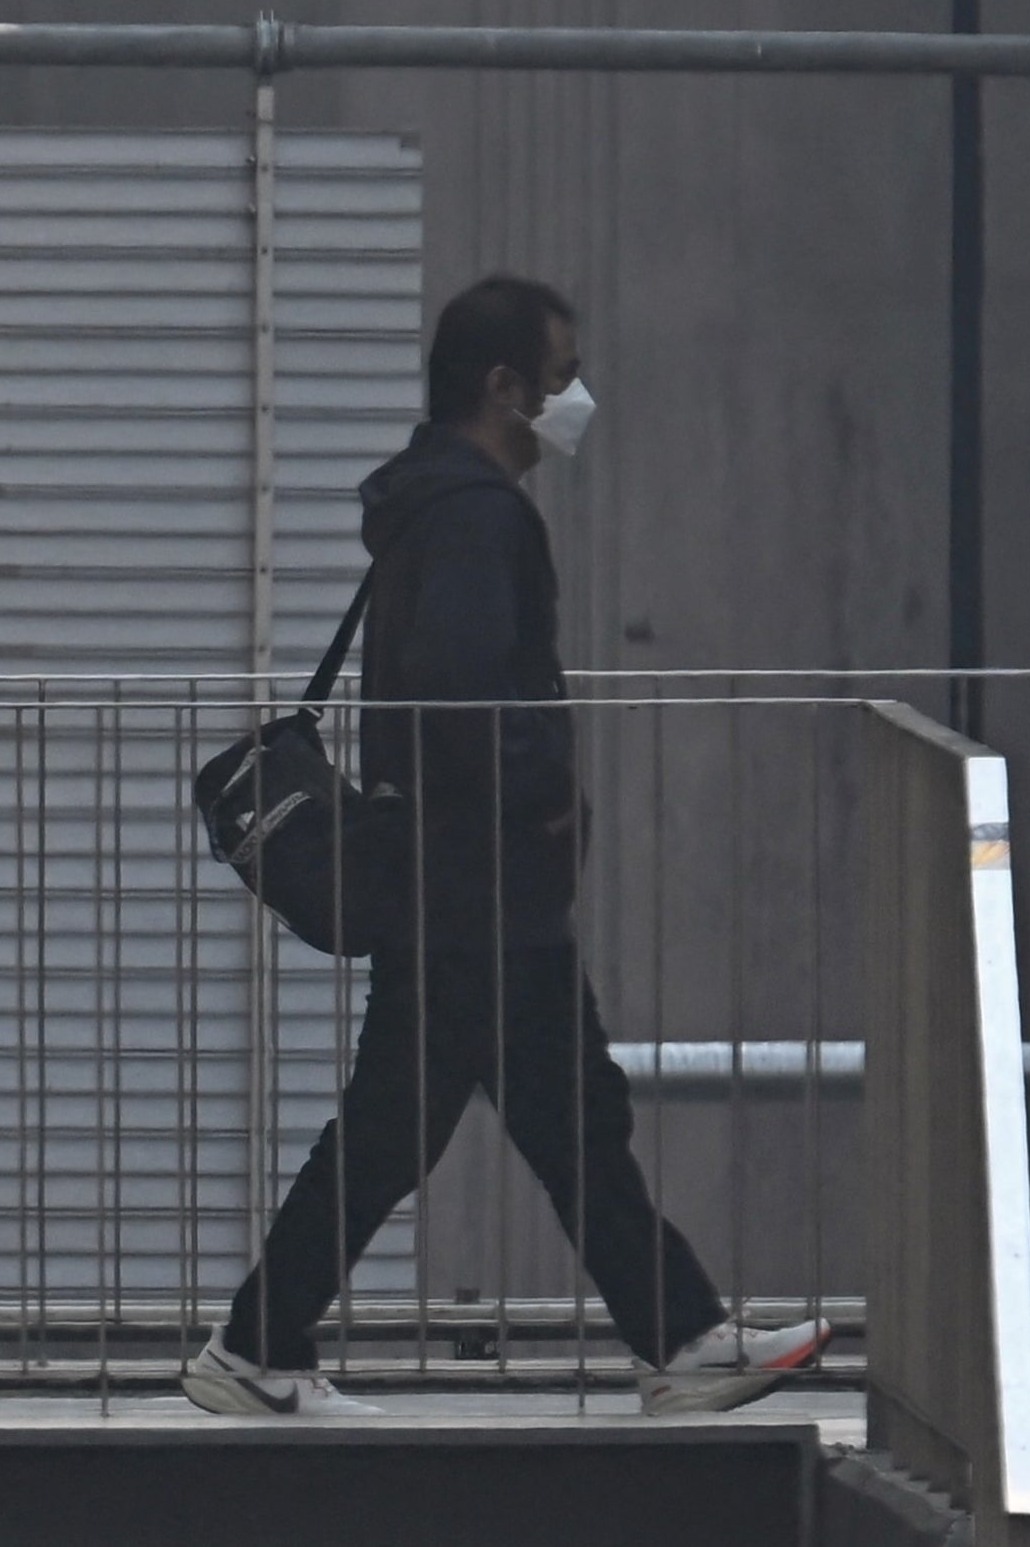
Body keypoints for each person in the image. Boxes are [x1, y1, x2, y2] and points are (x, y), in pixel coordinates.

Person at [187, 273, 827, 1421]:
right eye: (559, 373)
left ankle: (675, 1336)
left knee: (537, 1117)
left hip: (462, 883)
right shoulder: (478, 515)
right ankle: (256, 1348)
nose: (573, 397)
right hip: (475, 883)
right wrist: (540, 790)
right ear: (502, 387)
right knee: (452, 1128)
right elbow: (462, 684)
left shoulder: (429, 507)